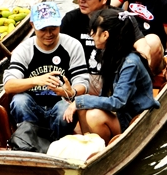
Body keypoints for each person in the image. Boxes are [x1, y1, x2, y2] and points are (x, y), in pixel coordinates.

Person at [4, 1, 90, 153]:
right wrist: (36, 80)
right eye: (43, 29)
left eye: (53, 29)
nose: (49, 34)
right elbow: (9, 86)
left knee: (64, 109)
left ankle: (58, 146)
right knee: (19, 101)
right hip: (32, 105)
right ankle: (28, 143)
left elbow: (83, 82)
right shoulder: (24, 50)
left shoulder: (72, 45)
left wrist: (70, 92)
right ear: (33, 25)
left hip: (60, 104)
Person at [62, 9, 160, 142]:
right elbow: (105, 93)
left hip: (132, 116)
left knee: (93, 115)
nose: (91, 34)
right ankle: (89, 143)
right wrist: (81, 102)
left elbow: (117, 102)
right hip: (121, 113)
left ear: (105, 35)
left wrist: (81, 100)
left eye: (94, 31)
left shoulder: (130, 63)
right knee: (82, 107)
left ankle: (104, 147)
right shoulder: (109, 55)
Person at [61, 0, 112, 92]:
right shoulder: (70, 20)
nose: (81, 0)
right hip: (76, 79)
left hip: (109, 78)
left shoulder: (118, 20)